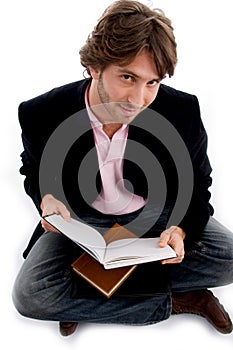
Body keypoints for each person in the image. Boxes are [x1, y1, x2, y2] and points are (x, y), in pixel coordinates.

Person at [12, 0, 233, 337]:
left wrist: (181, 230)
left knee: (230, 258)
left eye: (152, 82)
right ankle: (177, 300)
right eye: (127, 77)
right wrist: (46, 197)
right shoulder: (41, 112)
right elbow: (32, 169)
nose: (138, 98)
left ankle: (91, 290)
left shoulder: (181, 110)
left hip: (154, 217)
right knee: (30, 295)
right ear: (95, 66)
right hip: (81, 223)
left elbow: (199, 184)